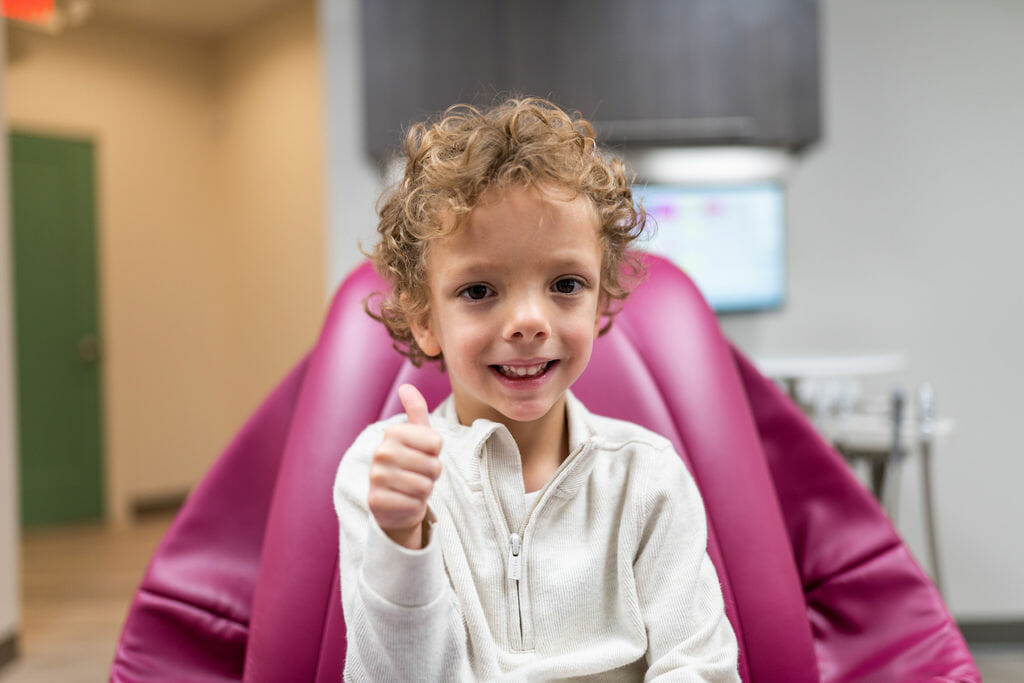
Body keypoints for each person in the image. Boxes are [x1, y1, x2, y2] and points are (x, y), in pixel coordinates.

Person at [333, 97, 739, 681]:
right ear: (424, 317)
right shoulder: (380, 472)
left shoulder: (648, 479)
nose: (529, 321)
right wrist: (401, 540)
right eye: (478, 291)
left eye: (566, 284)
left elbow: (701, 667)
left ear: (601, 302)